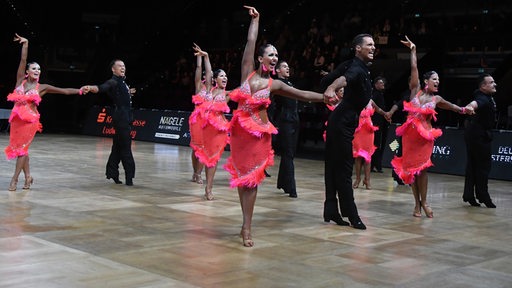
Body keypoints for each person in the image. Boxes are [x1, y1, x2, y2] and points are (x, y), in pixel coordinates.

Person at [224, 6, 337, 247]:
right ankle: (244, 221)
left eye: (277, 55)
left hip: (259, 135)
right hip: (239, 135)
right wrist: (256, 20)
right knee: (242, 179)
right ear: (260, 58)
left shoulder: (274, 84)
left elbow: (302, 94)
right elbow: (250, 41)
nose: (275, 58)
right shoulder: (247, 73)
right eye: (271, 54)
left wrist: (323, 97)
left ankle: (247, 227)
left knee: (252, 180)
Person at [391, 36, 474, 218]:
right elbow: (414, 68)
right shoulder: (415, 90)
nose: (437, 82)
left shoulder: (437, 99)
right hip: (410, 138)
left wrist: (464, 109)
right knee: (412, 170)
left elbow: (452, 106)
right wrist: (413, 50)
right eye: (434, 79)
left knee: (423, 170)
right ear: (426, 81)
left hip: (425, 137)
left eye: (438, 80)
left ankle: (425, 202)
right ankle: (416, 205)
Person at [5, 34, 86, 191]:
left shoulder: (42, 87)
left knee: (22, 150)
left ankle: (14, 179)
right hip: (16, 121)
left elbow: (65, 91)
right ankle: (28, 177)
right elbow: (23, 60)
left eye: (39, 69)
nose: (37, 70)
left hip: (30, 122)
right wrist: (26, 44)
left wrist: (81, 91)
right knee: (21, 150)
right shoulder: (19, 80)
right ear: (27, 72)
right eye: (34, 68)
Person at [320, 33, 377, 230]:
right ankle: (352, 215)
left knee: (335, 167)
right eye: (369, 44)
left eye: (374, 45)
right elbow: (344, 79)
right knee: (344, 170)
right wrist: (331, 86)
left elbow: (335, 75)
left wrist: (328, 81)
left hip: (342, 122)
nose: (373, 47)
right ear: (358, 48)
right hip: (341, 124)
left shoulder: (353, 64)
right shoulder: (356, 69)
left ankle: (331, 209)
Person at [83, 59, 137, 186]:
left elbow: (119, 94)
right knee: (125, 147)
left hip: (123, 118)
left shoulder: (121, 82)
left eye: (124, 65)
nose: (123, 68)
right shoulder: (113, 81)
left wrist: (127, 93)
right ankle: (129, 177)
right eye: (119, 66)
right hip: (122, 119)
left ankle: (112, 173)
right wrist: (91, 88)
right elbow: (102, 88)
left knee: (117, 147)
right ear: (113, 69)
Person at [189, 43, 230, 200]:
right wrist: (203, 57)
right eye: (222, 76)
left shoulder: (227, 93)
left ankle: (208, 188)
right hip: (202, 124)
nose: (225, 78)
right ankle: (196, 173)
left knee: (213, 158)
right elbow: (203, 72)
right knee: (199, 151)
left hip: (219, 128)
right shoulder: (205, 89)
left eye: (226, 76)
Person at [462, 73, 497, 208]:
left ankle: (469, 195)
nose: (495, 84)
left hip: (474, 135)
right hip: (479, 137)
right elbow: (475, 104)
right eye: (491, 82)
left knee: (473, 166)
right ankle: (483, 196)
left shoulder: (486, 96)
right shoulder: (482, 98)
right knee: (483, 167)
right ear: (483, 86)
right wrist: (470, 107)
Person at [271, 60, 300, 198]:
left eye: (288, 66)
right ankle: (292, 188)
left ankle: (284, 183)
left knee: (289, 154)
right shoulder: (277, 84)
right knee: (288, 153)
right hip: (285, 121)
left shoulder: (289, 83)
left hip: (294, 120)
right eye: (284, 66)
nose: (287, 68)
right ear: (277, 70)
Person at [352, 99, 387, 190]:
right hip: (358, 130)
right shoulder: (355, 99)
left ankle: (367, 180)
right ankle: (358, 179)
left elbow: (378, 109)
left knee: (367, 156)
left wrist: (386, 114)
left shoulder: (370, 101)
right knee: (358, 155)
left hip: (368, 130)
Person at [385, 76, 413, 186]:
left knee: (412, 154)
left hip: (416, 129)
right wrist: (390, 113)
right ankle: (398, 175)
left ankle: (411, 176)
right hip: (406, 128)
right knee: (401, 151)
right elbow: (398, 104)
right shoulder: (408, 94)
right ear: (410, 83)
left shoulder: (421, 94)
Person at [370, 76, 387, 173]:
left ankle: (374, 165)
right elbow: (376, 109)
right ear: (376, 84)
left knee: (376, 144)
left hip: (379, 122)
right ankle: (375, 165)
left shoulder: (379, 94)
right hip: (375, 123)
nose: (383, 84)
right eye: (381, 83)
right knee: (376, 143)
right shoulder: (375, 95)